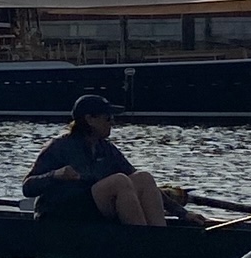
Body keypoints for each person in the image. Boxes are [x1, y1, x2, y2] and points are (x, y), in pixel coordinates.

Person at [23, 94, 169, 225]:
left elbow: (140, 180)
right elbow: (28, 187)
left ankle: (159, 236)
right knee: (119, 181)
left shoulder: (106, 148)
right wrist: (55, 175)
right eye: (108, 118)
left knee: (143, 177)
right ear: (90, 119)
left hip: (90, 210)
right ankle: (142, 242)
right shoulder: (59, 146)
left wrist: (182, 213)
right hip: (59, 215)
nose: (112, 122)